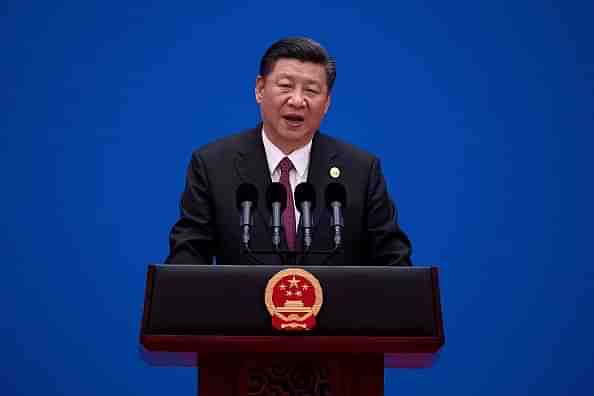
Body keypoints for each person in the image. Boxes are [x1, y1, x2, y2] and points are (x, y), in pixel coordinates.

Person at [165, 37, 411, 266]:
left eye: (311, 91)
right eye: (285, 86)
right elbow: (188, 257)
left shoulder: (361, 170)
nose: (297, 100)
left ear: (326, 103)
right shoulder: (212, 165)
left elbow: (393, 261)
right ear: (260, 89)